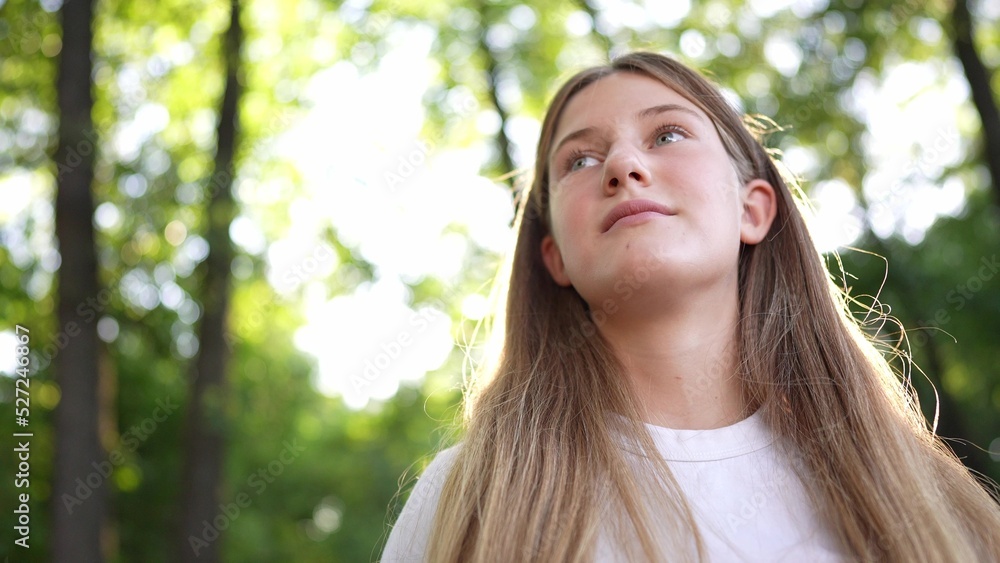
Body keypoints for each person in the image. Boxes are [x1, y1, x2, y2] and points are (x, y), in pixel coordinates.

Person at [380, 51, 1000, 562]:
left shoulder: (935, 500)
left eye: (668, 134)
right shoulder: (468, 501)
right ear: (555, 258)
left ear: (752, 209)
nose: (623, 165)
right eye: (581, 159)